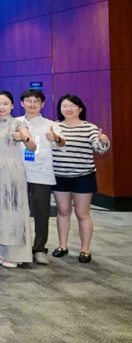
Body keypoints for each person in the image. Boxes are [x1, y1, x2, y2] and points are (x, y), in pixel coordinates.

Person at [50, 94, 110, 263]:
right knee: (63, 211)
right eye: (64, 106)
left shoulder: (89, 128)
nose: (68, 109)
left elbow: (99, 149)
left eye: (72, 106)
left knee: (82, 213)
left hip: (83, 176)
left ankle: (85, 250)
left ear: (80, 108)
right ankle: (62, 245)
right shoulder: (54, 127)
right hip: (59, 176)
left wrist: (103, 141)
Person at [0, 91, 35, 268]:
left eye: (5, 103)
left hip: (12, 172)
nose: (1, 107)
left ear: (12, 105)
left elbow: (32, 146)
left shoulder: (18, 124)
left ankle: (14, 254)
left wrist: (24, 138)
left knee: (12, 211)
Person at [17, 89, 60, 265]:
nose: (32, 104)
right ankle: (20, 248)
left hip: (41, 174)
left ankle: (40, 249)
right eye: (28, 100)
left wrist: (56, 138)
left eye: (36, 101)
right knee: (18, 213)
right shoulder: (15, 123)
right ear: (22, 103)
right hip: (18, 174)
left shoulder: (51, 124)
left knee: (42, 214)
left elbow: (61, 144)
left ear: (42, 104)